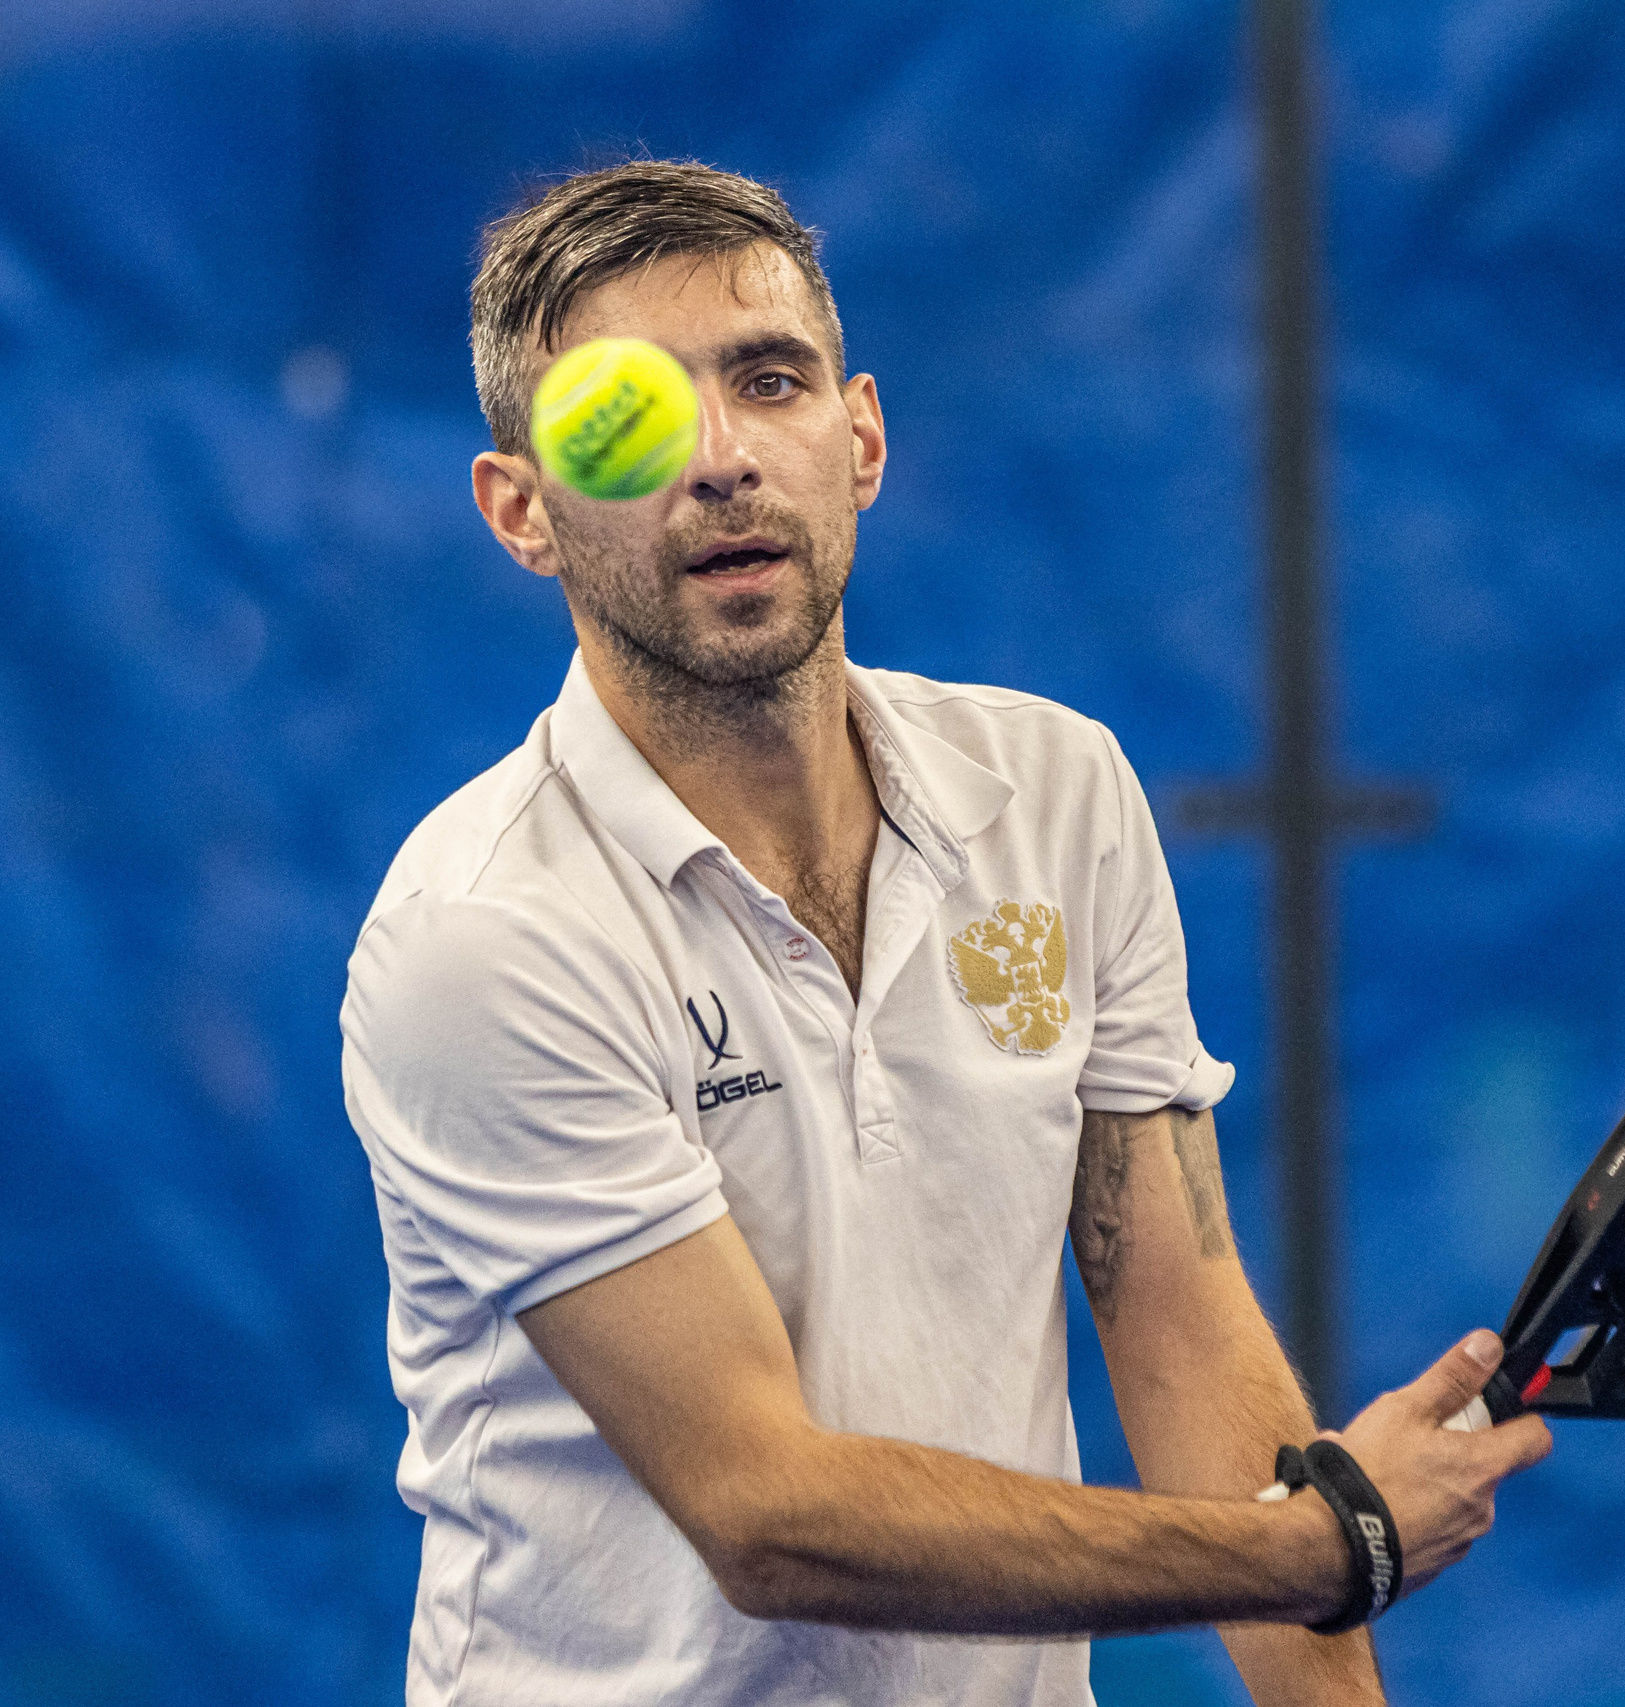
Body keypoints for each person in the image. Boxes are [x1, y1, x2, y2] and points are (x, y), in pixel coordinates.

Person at [339, 158, 1550, 1707]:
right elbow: (767, 1518)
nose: (719, 460)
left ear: (861, 440)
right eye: (622, 418)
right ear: (523, 512)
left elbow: (1171, 1309)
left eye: (768, 382)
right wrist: (1323, 1546)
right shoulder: (484, 936)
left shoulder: (1057, 791)